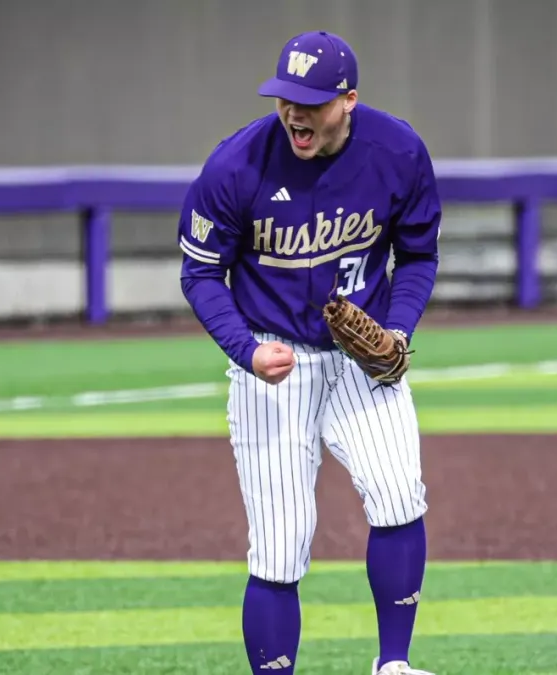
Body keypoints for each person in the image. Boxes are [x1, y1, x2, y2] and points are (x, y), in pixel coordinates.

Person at [177, 29, 442, 675]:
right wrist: (244, 349)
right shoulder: (236, 166)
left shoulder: (398, 150)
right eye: (285, 98)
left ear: (348, 99)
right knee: (279, 543)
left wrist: (399, 329)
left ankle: (394, 664)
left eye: (312, 100)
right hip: (275, 367)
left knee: (398, 491)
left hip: (362, 357)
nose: (295, 111)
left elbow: (417, 255)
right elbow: (201, 273)